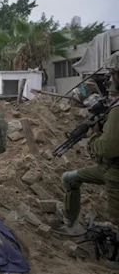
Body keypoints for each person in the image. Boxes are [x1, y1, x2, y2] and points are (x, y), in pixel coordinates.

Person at [58, 69, 119, 269]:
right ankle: (71, 223)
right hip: (108, 169)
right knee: (70, 178)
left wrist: (92, 136)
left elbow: (107, 148)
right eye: (109, 94)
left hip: (115, 172)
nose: (110, 98)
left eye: (113, 94)